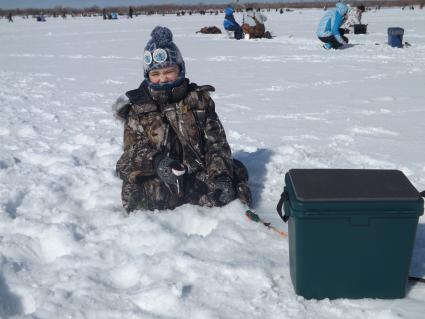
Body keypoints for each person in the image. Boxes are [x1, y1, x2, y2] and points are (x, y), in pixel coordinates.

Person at [113, 26, 252, 213]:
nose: (162, 79)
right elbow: (132, 153)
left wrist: (221, 176)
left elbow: (216, 144)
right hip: (162, 178)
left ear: (181, 69)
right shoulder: (138, 109)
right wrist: (158, 162)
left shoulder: (199, 100)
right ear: (147, 76)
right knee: (139, 199)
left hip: (198, 173)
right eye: (155, 74)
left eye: (169, 71)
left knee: (232, 192)